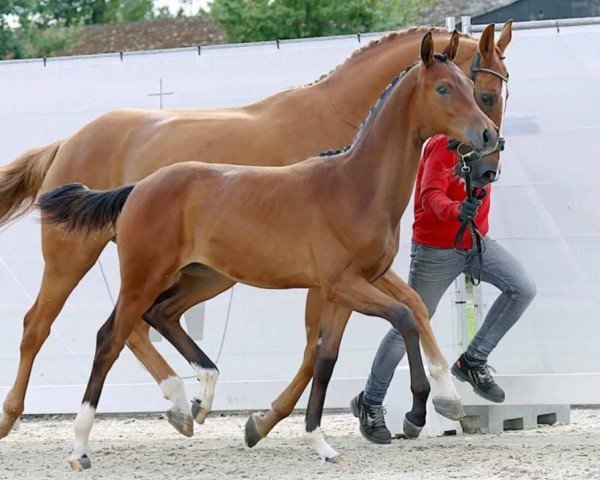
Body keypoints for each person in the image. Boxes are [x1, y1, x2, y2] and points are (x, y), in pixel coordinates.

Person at [351, 134, 537, 444]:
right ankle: (369, 402)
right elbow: (429, 194)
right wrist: (455, 210)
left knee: (522, 288)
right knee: (408, 324)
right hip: (436, 250)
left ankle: (473, 361)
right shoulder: (442, 145)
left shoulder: (488, 140)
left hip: (476, 242)